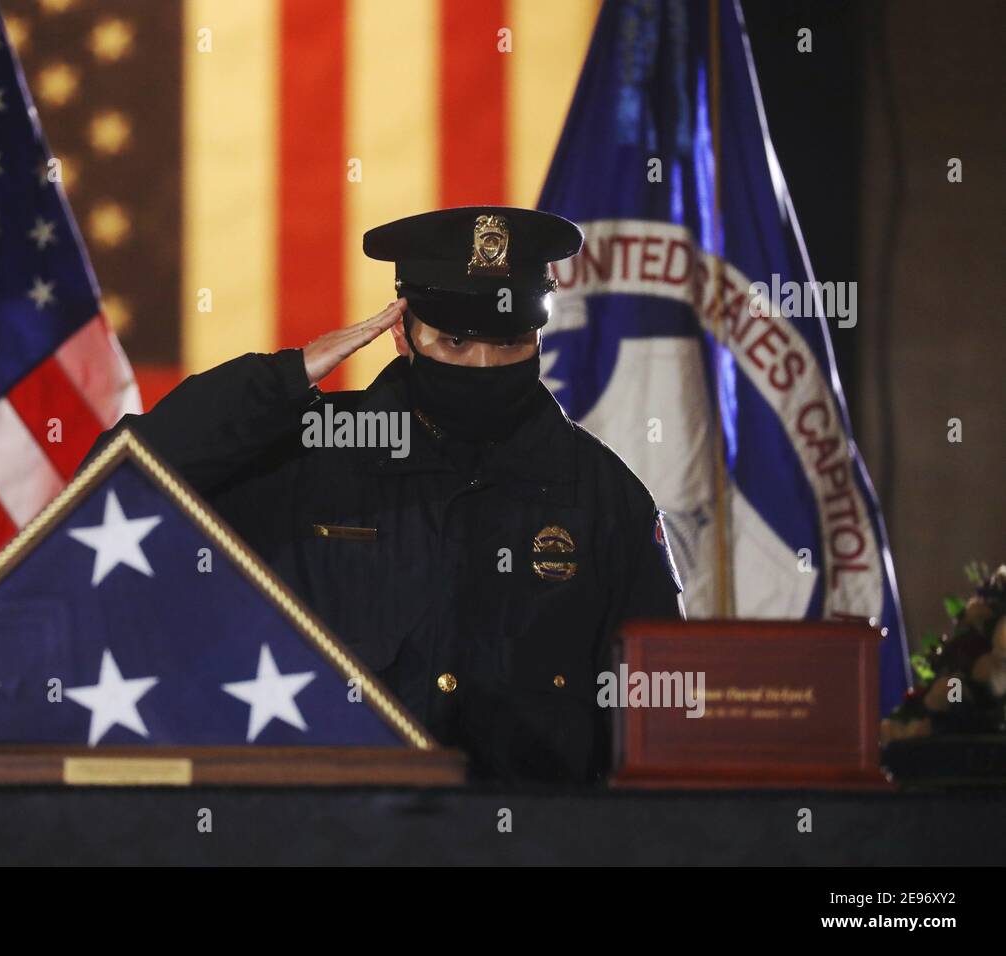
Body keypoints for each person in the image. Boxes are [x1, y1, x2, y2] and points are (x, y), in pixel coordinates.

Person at [83, 206, 683, 783]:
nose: (482, 363)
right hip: (331, 837)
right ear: (402, 333)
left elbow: (663, 716)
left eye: (508, 344)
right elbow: (110, 483)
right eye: (453, 343)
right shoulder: (311, 452)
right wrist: (282, 380)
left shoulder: (604, 496)